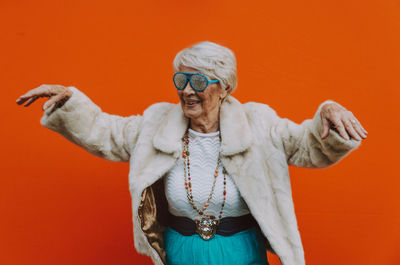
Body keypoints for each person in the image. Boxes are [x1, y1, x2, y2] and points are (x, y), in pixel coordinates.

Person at [16, 41, 367, 265]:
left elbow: (308, 145)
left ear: (225, 87)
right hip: (181, 252)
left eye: (198, 82)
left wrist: (329, 112)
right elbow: (106, 133)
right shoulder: (156, 124)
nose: (187, 91)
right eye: (181, 81)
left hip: (240, 253)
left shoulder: (259, 124)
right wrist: (70, 103)